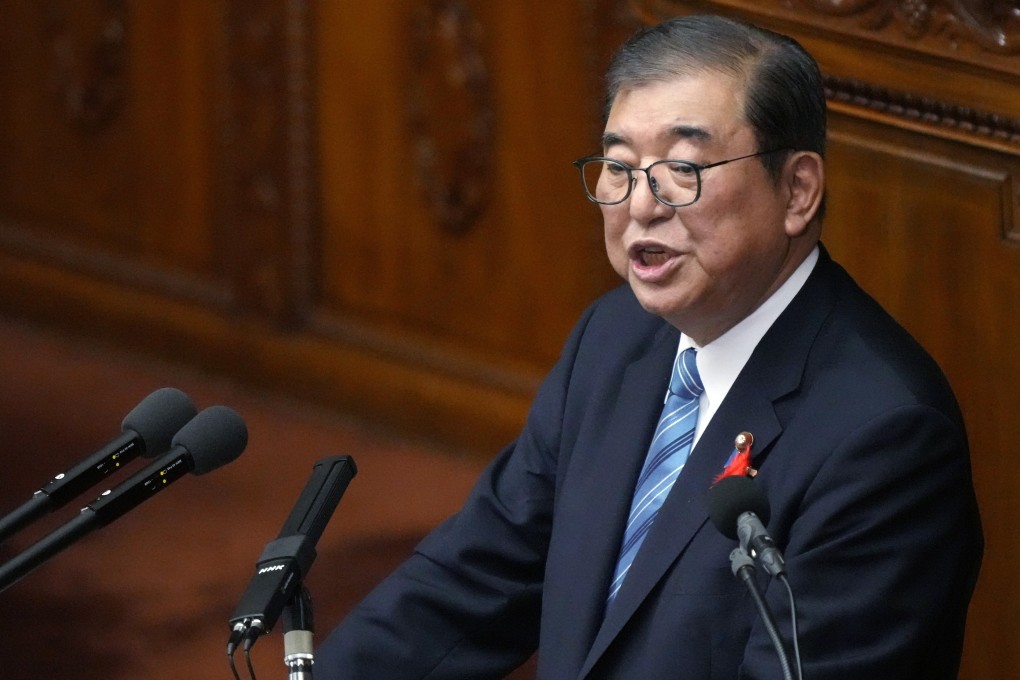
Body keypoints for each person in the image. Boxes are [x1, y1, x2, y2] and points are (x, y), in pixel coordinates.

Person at [315, 14, 983, 679]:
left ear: (797, 190)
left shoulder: (883, 437)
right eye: (618, 167)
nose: (640, 205)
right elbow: (472, 586)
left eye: (682, 168)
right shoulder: (615, 342)